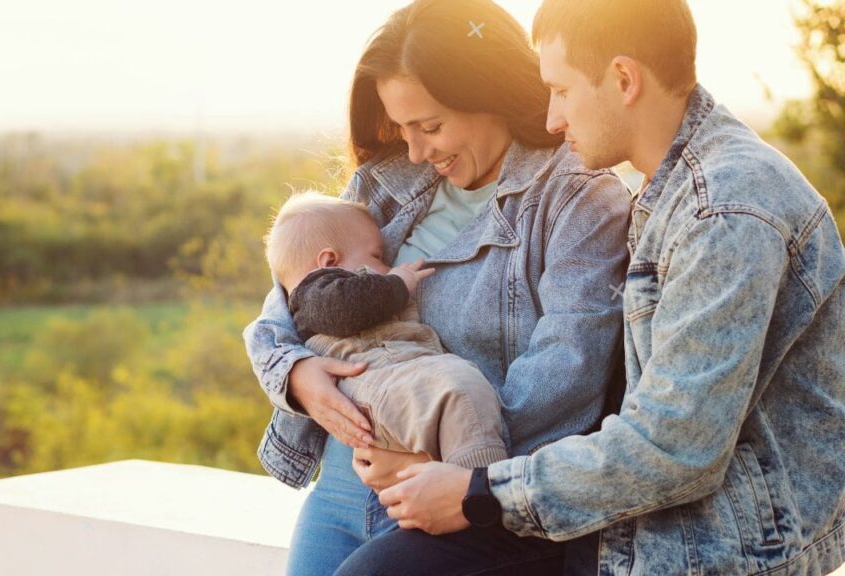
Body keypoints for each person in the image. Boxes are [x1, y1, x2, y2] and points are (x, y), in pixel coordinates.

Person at [334, 1, 845, 575]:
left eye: (562, 91)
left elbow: (677, 446)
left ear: (624, 79)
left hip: (711, 537)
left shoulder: (722, 211)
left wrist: (479, 489)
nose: (550, 118)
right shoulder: (678, 185)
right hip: (628, 503)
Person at [243, 0, 631, 574]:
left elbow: (567, 375)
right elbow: (294, 290)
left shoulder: (577, 200)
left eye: (430, 126)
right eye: (402, 128)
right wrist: (294, 374)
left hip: (452, 504)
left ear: (492, 92)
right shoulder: (382, 182)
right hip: (342, 483)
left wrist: (449, 466)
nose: (417, 149)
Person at [263, 190, 509, 468]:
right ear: (329, 262)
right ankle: (477, 490)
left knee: (464, 391)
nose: (388, 266)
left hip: (391, 376)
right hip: (369, 379)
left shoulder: (326, 291)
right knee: (458, 393)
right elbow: (345, 309)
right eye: (377, 256)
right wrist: (398, 284)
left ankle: (466, 482)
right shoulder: (314, 294)